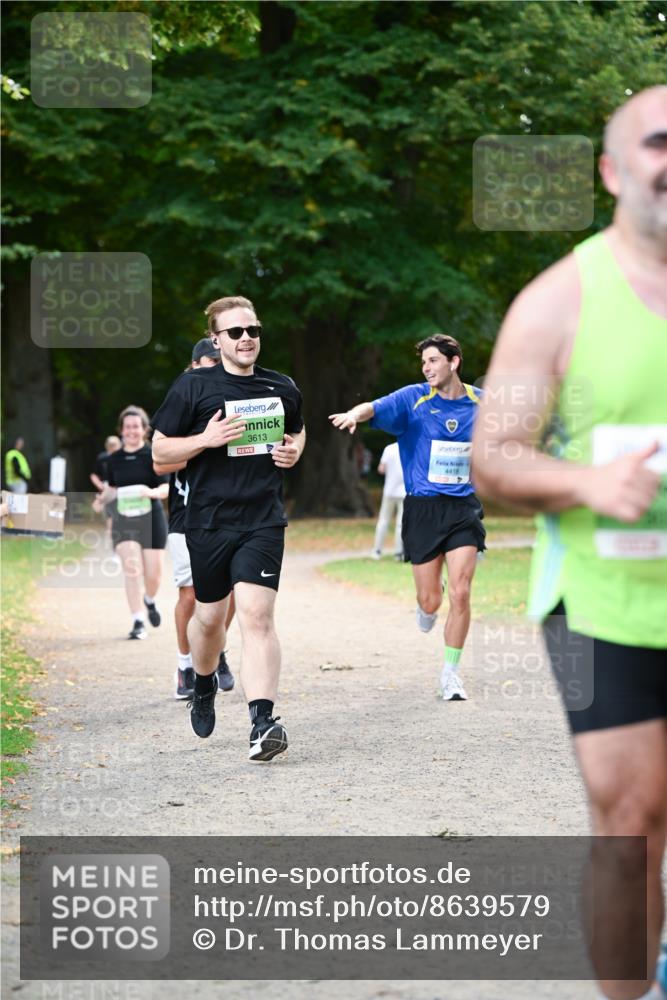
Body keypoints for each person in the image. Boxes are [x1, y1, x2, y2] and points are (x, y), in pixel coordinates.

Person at [471, 86, 667, 1000]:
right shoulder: (556, 302)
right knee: (630, 825)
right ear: (611, 169)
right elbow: (493, 460)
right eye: (659, 143)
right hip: (604, 597)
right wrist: (590, 482)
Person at [152, 296, 306, 761]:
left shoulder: (282, 387)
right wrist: (206, 439)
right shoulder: (192, 387)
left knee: (257, 617)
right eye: (235, 332)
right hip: (208, 521)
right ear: (216, 339)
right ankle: (202, 683)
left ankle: (263, 722)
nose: (246, 339)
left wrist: (295, 451)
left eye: (253, 331)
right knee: (210, 619)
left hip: (262, 519)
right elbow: (159, 454)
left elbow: (297, 430)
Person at [330, 334, 485, 702]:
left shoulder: (482, 404)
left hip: (463, 507)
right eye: (424, 363)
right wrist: (354, 414)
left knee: (461, 592)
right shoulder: (413, 398)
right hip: (422, 509)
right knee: (431, 601)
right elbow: (373, 406)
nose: (427, 368)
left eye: (433, 361)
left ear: (454, 362)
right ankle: (428, 602)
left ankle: (450, 674)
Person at [153, 338, 236, 699]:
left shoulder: (233, 402)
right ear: (194, 365)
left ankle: (215, 651)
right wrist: (205, 444)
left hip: (230, 514)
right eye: (209, 362)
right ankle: (186, 664)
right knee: (190, 595)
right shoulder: (184, 402)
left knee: (230, 593)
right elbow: (160, 462)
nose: (215, 368)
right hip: (187, 516)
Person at [98, 406, 169, 640]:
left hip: (151, 518)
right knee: (132, 570)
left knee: (153, 576)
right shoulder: (113, 460)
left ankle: (149, 599)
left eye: (136, 426)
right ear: (121, 430)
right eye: (127, 427)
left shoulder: (154, 454)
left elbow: (166, 487)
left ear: (144, 429)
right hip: (123, 519)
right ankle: (138, 621)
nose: (131, 431)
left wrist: (151, 493)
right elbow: (110, 489)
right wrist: (100, 501)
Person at [371, 441, 406, 560]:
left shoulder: (389, 449)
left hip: (389, 490)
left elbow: (381, 469)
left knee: (383, 521)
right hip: (404, 492)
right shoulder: (408, 448)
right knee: (400, 524)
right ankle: (398, 552)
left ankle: (377, 550)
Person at [90, 435, 121, 542]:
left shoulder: (123, 457)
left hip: (121, 491)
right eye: (111, 445)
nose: (113, 447)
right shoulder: (102, 458)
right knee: (110, 517)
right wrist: (100, 485)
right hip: (107, 491)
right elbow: (94, 475)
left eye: (115, 445)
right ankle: (112, 542)